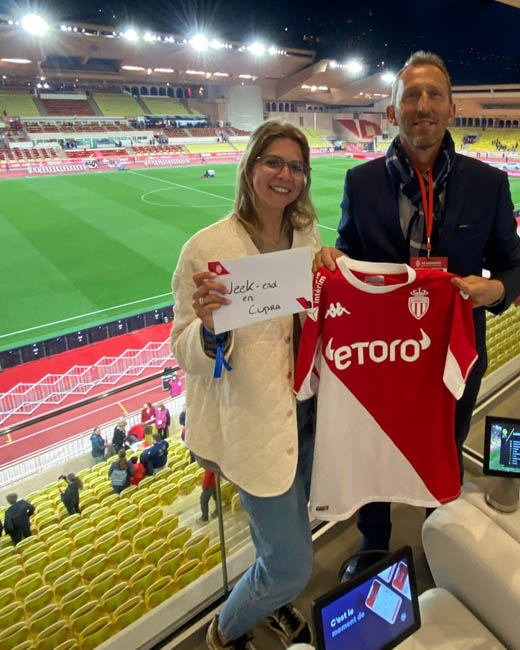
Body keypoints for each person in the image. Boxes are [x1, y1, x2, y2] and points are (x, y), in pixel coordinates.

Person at [313, 51, 520, 583]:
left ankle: (439, 536)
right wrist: (335, 259)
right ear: (392, 112)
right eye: (411, 96)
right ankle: (374, 544)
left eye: (434, 95)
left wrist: (494, 289)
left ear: (453, 109)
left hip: (453, 355)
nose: (423, 105)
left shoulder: (489, 183)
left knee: (444, 449)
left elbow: (515, 268)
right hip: (382, 356)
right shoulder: (361, 183)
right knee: (374, 447)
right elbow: (349, 254)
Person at [170, 119, 320, 649]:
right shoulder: (206, 247)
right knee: (290, 565)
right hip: (254, 425)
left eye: (296, 166)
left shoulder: (306, 235)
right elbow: (181, 346)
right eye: (273, 162)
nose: (285, 175)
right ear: (250, 167)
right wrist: (210, 332)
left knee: (284, 536)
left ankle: (271, 603)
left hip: (307, 414)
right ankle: (223, 632)